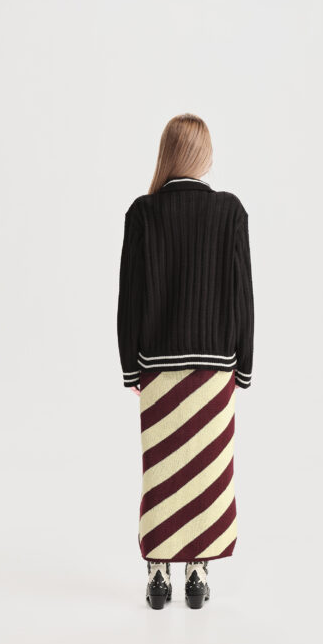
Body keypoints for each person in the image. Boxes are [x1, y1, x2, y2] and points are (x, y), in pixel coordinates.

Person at [116, 113, 255, 609]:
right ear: (204, 156)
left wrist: (129, 366)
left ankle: (158, 574)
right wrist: (244, 367)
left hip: (158, 368)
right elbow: (243, 295)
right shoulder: (230, 211)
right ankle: (197, 573)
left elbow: (129, 297)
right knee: (210, 477)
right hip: (215, 369)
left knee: (161, 471)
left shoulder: (143, 213)